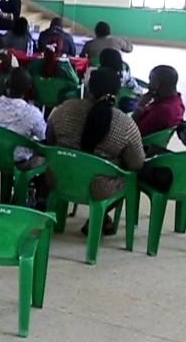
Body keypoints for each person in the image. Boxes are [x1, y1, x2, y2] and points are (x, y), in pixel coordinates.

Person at [45, 68, 144, 236]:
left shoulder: (63, 109)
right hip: (100, 188)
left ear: (88, 87)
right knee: (130, 177)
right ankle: (100, 217)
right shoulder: (124, 124)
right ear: (117, 92)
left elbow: (50, 141)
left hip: (59, 178)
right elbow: (136, 163)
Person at [0, 69, 47, 168]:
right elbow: (45, 137)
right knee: (49, 158)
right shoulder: (32, 113)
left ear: (5, 83)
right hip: (20, 162)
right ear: (29, 89)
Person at [132, 65, 185, 136]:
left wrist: (139, 107)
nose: (149, 85)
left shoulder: (162, 111)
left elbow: (130, 133)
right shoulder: (177, 102)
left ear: (157, 85)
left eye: (151, 81)